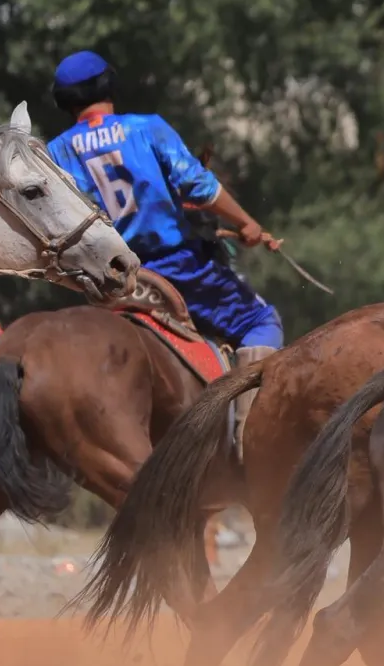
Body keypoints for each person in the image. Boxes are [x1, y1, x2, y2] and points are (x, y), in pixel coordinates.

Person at [45, 50, 284, 453]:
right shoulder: (146, 128)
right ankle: (251, 439)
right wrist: (246, 223)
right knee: (261, 320)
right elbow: (200, 188)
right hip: (179, 268)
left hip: (110, 281)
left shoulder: (56, 153)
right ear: (109, 85)